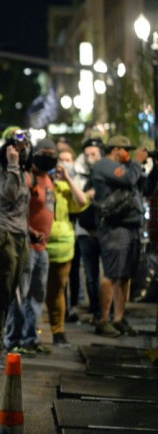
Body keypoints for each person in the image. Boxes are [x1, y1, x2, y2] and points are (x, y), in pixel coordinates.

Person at [91, 135, 148, 337]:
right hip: (114, 228)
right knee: (111, 273)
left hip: (131, 226)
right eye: (126, 150)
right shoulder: (104, 165)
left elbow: (144, 187)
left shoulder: (128, 167)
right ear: (116, 149)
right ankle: (104, 319)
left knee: (125, 275)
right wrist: (137, 163)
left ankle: (119, 318)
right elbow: (127, 178)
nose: (129, 154)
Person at [4, 138, 56, 356]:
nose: (49, 156)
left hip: (43, 248)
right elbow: (15, 209)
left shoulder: (49, 179)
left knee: (37, 295)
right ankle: (13, 339)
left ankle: (30, 338)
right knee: (20, 295)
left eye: (52, 153)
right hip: (27, 245)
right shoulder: (29, 178)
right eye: (45, 152)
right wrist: (28, 231)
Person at [0, 128, 32, 363]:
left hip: (20, 237)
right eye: (18, 147)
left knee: (12, 293)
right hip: (2, 234)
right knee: (0, 294)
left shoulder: (23, 171)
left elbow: (23, 206)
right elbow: (10, 194)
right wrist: (12, 165)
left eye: (25, 148)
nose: (23, 151)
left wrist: (30, 232)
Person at [45, 147, 88, 346]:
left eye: (67, 160)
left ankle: (58, 331)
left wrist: (69, 179)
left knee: (57, 290)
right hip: (41, 245)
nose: (62, 164)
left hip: (63, 247)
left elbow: (81, 201)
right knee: (36, 292)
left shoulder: (65, 189)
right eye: (59, 160)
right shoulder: (44, 184)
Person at [74, 138, 104, 322]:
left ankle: (107, 311)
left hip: (105, 230)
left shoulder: (106, 172)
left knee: (108, 274)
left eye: (94, 154)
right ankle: (96, 309)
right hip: (85, 231)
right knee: (91, 274)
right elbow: (78, 200)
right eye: (87, 154)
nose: (90, 158)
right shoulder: (79, 174)